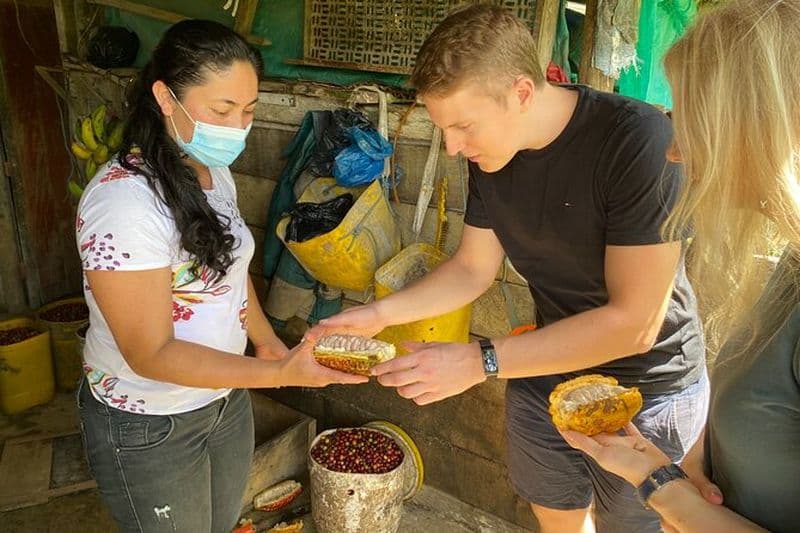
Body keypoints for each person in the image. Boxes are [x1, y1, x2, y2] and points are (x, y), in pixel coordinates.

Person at [315, 5, 709, 532]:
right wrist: (378, 314)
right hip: (542, 368)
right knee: (557, 518)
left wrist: (482, 362)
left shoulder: (635, 140)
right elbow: (472, 269)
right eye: (443, 128)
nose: (453, 145)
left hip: (649, 387)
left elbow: (634, 325)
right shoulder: (490, 153)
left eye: (462, 126)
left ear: (522, 92)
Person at [75, 20, 365, 533]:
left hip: (224, 399)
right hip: (149, 421)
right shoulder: (123, 202)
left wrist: (270, 344)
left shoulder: (211, 170)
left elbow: (228, 274)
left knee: (222, 522)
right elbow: (152, 353)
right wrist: (279, 374)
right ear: (166, 97)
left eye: (249, 111)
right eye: (221, 110)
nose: (237, 128)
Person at [560, 1, 800, 531]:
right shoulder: (788, 269)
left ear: (752, 126)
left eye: (687, 118)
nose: (673, 153)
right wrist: (669, 470)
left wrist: (666, 495)